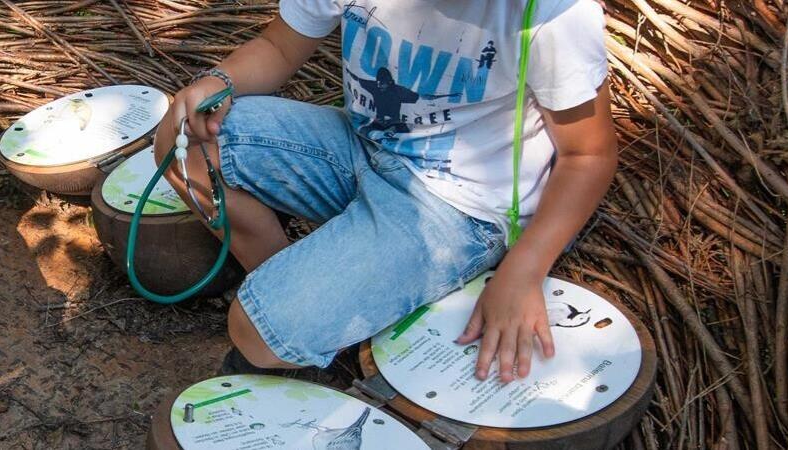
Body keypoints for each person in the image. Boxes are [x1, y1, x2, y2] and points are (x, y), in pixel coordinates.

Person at [152, 0, 617, 383]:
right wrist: (219, 81)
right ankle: (297, 286)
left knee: (256, 330)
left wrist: (524, 270)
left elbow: (587, 156)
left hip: (457, 205)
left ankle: (299, 313)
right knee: (182, 138)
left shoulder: (551, 12)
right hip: (361, 146)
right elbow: (277, 47)